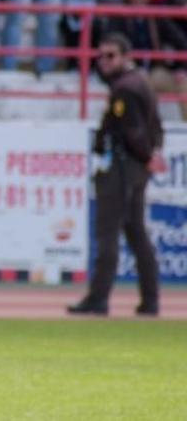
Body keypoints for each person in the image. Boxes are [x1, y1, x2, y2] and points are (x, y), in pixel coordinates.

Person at [68, 33, 164, 317]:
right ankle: (151, 299)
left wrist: (147, 155)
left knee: (107, 232)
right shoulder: (140, 83)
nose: (104, 62)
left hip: (122, 167)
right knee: (136, 232)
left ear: (126, 56)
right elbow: (155, 127)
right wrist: (152, 154)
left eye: (111, 56)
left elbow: (133, 131)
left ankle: (99, 298)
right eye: (101, 56)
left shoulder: (125, 89)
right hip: (135, 167)